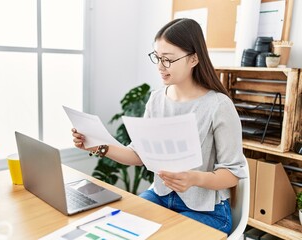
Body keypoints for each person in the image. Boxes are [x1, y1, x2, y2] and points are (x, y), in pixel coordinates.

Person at [71, 18, 247, 235]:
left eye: (168, 60)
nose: (160, 67)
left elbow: (232, 173)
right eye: (157, 57)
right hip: (161, 197)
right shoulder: (156, 100)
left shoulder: (218, 106)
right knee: (115, 228)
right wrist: (98, 146)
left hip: (208, 211)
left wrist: (194, 178)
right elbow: (139, 154)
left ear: (194, 59)